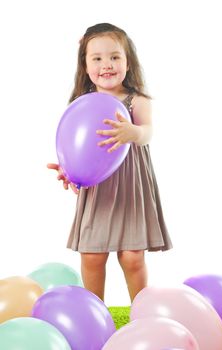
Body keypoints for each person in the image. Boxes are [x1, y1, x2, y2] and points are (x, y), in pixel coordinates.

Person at [47, 23, 172, 303]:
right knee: (92, 255)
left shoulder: (136, 101)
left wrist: (134, 132)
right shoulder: (83, 103)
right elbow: (77, 143)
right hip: (99, 188)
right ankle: (96, 312)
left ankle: (142, 310)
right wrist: (69, 170)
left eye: (115, 57)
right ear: (85, 65)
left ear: (128, 63)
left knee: (132, 257)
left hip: (130, 187)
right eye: (98, 58)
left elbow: (148, 132)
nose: (107, 65)